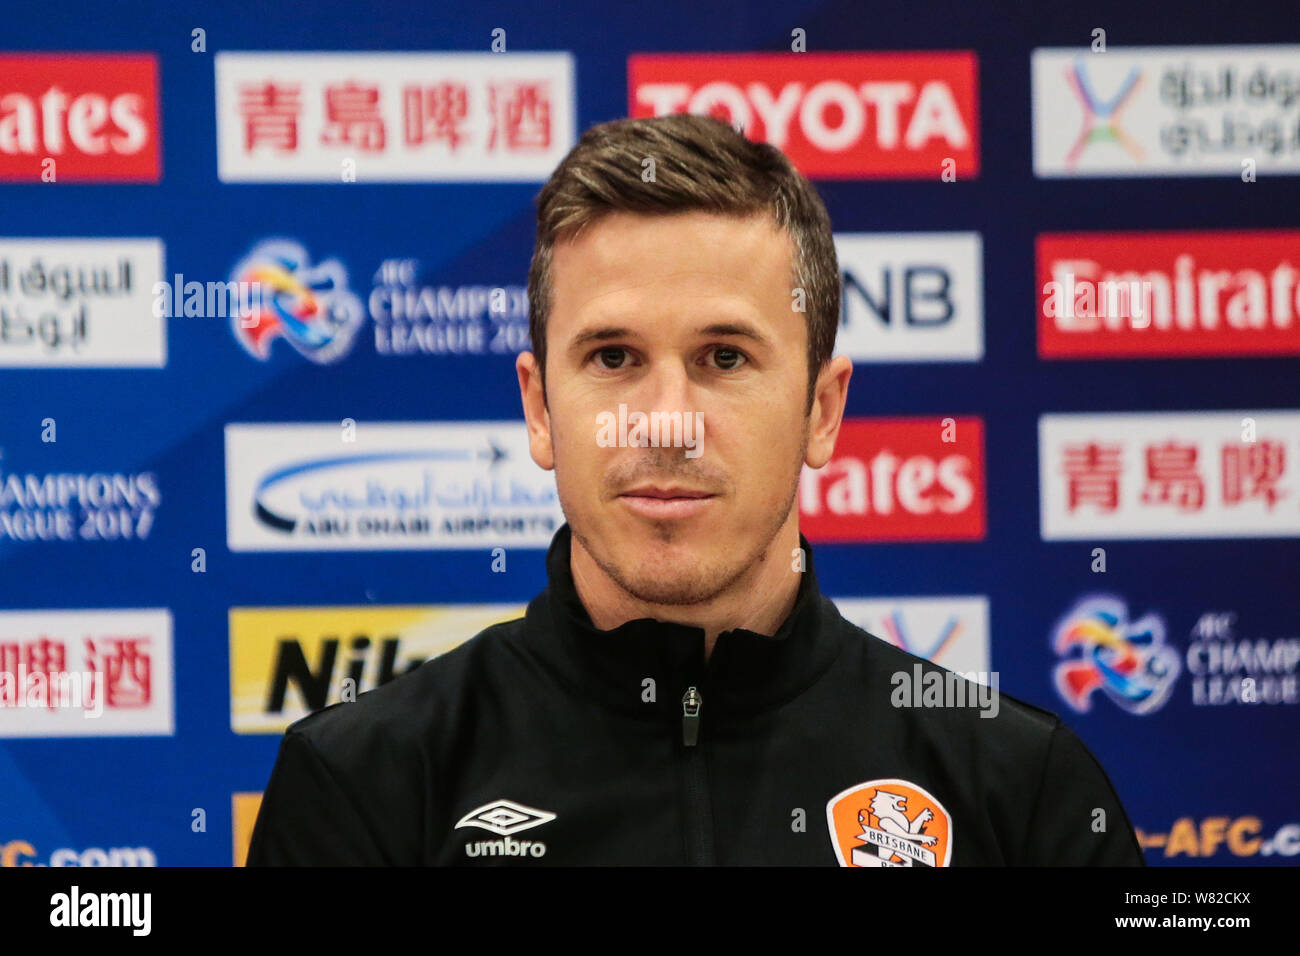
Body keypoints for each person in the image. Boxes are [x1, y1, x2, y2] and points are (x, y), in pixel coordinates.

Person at [246, 113, 1144, 866]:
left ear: (821, 410)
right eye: (612, 358)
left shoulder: (1020, 793)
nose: (666, 422)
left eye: (724, 358)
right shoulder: (366, 787)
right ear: (540, 408)